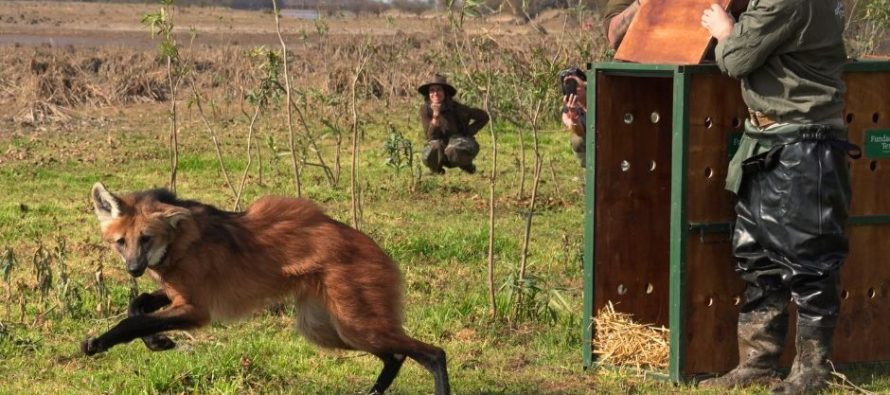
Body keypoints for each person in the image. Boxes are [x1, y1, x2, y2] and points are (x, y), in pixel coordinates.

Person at [699, 1, 857, 394]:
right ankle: (757, 363)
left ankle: (811, 372)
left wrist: (724, 30)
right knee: (757, 256)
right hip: (769, 139)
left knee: (810, 262)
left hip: (802, 138)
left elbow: (736, 58)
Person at [418, 74, 489, 175]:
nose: (435, 93)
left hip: (457, 145)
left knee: (454, 149)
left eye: (439, 90)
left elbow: (484, 117)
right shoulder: (425, 110)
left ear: (445, 93)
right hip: (440, 146)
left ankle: (466, 165)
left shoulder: (457, 108)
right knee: (432, 149)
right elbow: (430, 137)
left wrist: (469, 132)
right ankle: (436, 169)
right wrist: (435, 116)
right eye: (432, 91)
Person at [559, 67, 587, 167]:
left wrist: (584, 84)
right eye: (569, 85)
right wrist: (574, 117)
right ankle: (589, 168)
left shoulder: (600, 95)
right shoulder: (567, 111)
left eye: (576, 84)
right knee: (577, 140)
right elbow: (579, 132)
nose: (575, 88)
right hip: (591, 139)